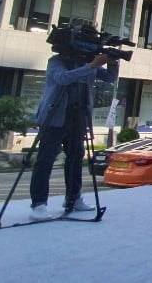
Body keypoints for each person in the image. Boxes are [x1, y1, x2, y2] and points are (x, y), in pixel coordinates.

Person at [30, 48, 119, 221]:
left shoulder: (86, 65)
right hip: (54, 117)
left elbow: (109, 78)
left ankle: (74, 197)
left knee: (76, 158)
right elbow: (63, 78)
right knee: (45, 160)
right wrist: (91, 65)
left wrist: (113, 63)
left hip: (78, 118)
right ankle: (39, 204)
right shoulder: (56, 61)